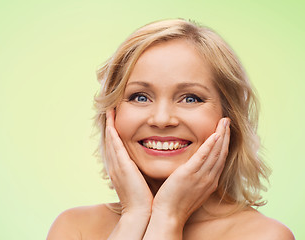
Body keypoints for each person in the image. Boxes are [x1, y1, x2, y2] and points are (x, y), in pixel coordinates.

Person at [47, 19, 294, 240]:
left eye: (190, 98)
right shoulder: (73, 229)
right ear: (111, 115)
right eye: (140, 97)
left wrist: (168, 217)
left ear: (229, 117)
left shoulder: (265, 236)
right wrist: (135, 216)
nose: (162, 119)